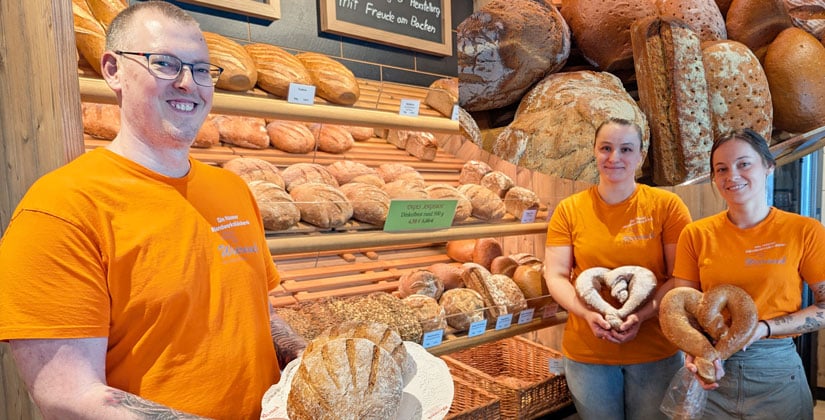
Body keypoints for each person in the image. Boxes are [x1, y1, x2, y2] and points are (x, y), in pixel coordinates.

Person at [0, 2, 305, 418]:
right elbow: (67, 397)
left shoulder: (232, 189)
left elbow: (256, 312)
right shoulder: (60, 208)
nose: (187, 83)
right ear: (113, 70)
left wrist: (305, 355)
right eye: (164, 63)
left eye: (201, 70)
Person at [544, 117, 693, 420]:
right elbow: (556, 275)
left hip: (655, 350)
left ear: (640, 156)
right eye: (606, 148)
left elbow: (680, 276)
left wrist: (639, 315)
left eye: (626, 149)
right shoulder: (569, 210)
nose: (614, 158)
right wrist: (587, 314)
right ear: (594, 152)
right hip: (588, 352)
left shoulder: (667, 206)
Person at [672, 128, 825, 419]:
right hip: (713, 369)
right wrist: (692, 353)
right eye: (721, 169)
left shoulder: (804, 231)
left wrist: (763, 328)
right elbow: (684, 310)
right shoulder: (696, 234)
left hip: (776, 371)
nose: (732, 175)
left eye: (744, 164)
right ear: (714, 178)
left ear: (768, 166)